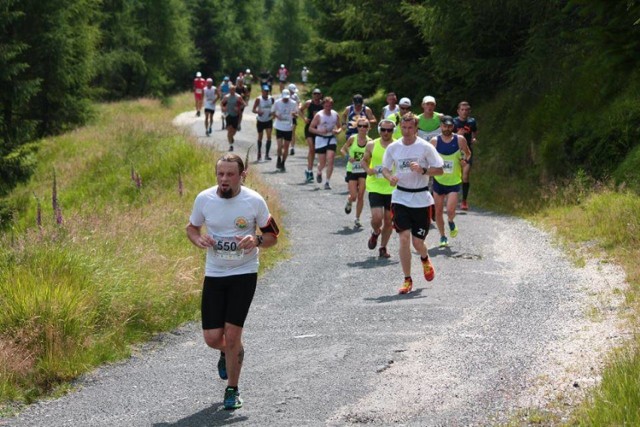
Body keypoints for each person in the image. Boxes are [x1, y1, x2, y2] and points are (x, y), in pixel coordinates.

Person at [186, 153, 280, 410]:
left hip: (244, 272)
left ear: (242, 175)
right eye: (220, 174)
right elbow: (192, 228)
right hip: (215, 273)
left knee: (233, 332)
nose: (224, 179)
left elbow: (272, 235)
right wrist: (198, 240)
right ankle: (227, 351)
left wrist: (257, 240)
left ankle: (232, 389)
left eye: (230, 174)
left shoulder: (254, 201)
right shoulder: (204, 199)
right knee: (212, 337)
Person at [381, 113, 444, 294]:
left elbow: (440, 170)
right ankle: (407, 279)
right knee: (403, 238)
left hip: (421, 199)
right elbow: (384, 168)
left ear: (416, 128)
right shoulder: (393, 148)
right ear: (400, 127)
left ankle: (424, 258)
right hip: (400, 198)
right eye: (404, 128)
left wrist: (423, 169)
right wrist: (389, 177)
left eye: (410, 128)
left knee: (417, 243)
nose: (407, 131)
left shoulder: (425, 147)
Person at [430, 115, 472, 247]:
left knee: (450, 210)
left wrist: (464, 160)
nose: (446, 129)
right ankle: (442, 237)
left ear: (452, 126)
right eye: (444, 126)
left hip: (454, 181)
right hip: (438, 180)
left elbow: (468, 153)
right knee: (437, 211)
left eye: (449, 126)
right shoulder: (434, 141)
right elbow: (428, 158)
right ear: (440, 126)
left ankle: (451, 221)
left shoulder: (460, 140)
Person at [361, 118, 396, 258]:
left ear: (393, 131)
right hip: (375, 185)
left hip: (392, 188)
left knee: (388, 221)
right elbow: (364, 161)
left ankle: (383, 247)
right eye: (383, 129)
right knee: (377, 218)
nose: (386, 132)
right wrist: (367, 169)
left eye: (389, 130)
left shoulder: (397, 145)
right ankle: (375, 232)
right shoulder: (371, 145)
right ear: (379, 130)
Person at [340, 117, 371, 228]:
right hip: (352, 169)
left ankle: (357, 218)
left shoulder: (370, 142)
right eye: (360, 126)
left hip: (363, 170)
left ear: (368, 128)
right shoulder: (352, 139)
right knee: (353, 196)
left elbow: (372, 157)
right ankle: (349, 201)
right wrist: (348, 157)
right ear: (357, 127)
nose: (362, 128)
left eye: (365, 126)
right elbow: (342, 150)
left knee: (361, 195)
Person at [309, 96, 342, 189]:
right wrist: (320, 131)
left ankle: (327, 182)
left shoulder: (335, 114)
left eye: (330, 106)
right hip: (320, 139)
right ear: (323, 105)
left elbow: (339, 127)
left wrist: (338, 131)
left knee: (330, 159)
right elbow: (310, 128)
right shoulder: (319, 115)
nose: (328, 108)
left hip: (331, 138)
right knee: (322, 163)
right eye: (326, 106)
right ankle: (319, 171)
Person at [453, 101, 478, 211]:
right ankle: (452, 198)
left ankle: (464, 201)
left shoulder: (472, 121)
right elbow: (447, 135)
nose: (464, 112)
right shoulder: (453, 122)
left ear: (469, 111)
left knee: (465, 175)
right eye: (462, 110)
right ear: (458, 111)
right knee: (454, 176)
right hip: (454, 151)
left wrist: (473, 138)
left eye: (466, 110)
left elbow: (474, 131)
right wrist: (457, 135)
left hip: (467, 151)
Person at [300, 88, 324, 183]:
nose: (316, 96)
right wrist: (304, 118)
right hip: (309, 128)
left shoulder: (323, 104)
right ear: (312, 95)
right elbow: (300, 110)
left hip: (319, 129)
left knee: (319, 150)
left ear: (321, 95)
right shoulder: (309, 103)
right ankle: (309, 171)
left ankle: (316, 169)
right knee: (312, 149)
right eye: (314, 94)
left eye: (318, 94)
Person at [271, 89, 298, 172]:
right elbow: (272, 112)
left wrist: (294, 114)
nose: (285, 99)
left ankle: (283, 163)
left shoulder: (293, 103)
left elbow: (296, 115)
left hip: (288, 127)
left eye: (287, 98)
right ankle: (279, 158)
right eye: (284, 98)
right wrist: (276, 116)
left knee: (286, 147)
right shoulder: (277, 102)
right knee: (279, 146)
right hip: (279, 126)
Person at [220, 85, 246, 151]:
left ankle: (232, 137)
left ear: (235, 90)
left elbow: (244, 104)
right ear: (229, 90)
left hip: (235, 115)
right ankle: (231, 145)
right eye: (231, 90)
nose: (232, 91)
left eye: (233, 90)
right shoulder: (226, 97)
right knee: (229, 130)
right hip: (228, 115)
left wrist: (238, 108)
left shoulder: (238, 97)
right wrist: (223, 108)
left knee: (233, 132)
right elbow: (221, 103)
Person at [252, 85, 274, 162]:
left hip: (269, 120)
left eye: (267, 91)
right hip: (260, 120)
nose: (266, 93)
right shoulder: (258, 99)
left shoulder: (271, 99)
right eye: (265, 91)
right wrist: (258, 112)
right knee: (260, 137)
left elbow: (274, 108)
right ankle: (259, 153)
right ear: (262, 91)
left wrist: (272, 113)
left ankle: (267, 154)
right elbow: (253, 110)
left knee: (269, 136)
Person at [287, 83, 301, 156]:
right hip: (286, 117)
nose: (293, 92)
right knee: (286, 132)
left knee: (292, 132)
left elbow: (299, 103)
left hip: (294, 116)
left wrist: (298, 109)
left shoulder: (295, 96)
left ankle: (292, 147)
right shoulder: (284, 95)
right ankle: (285, 145)